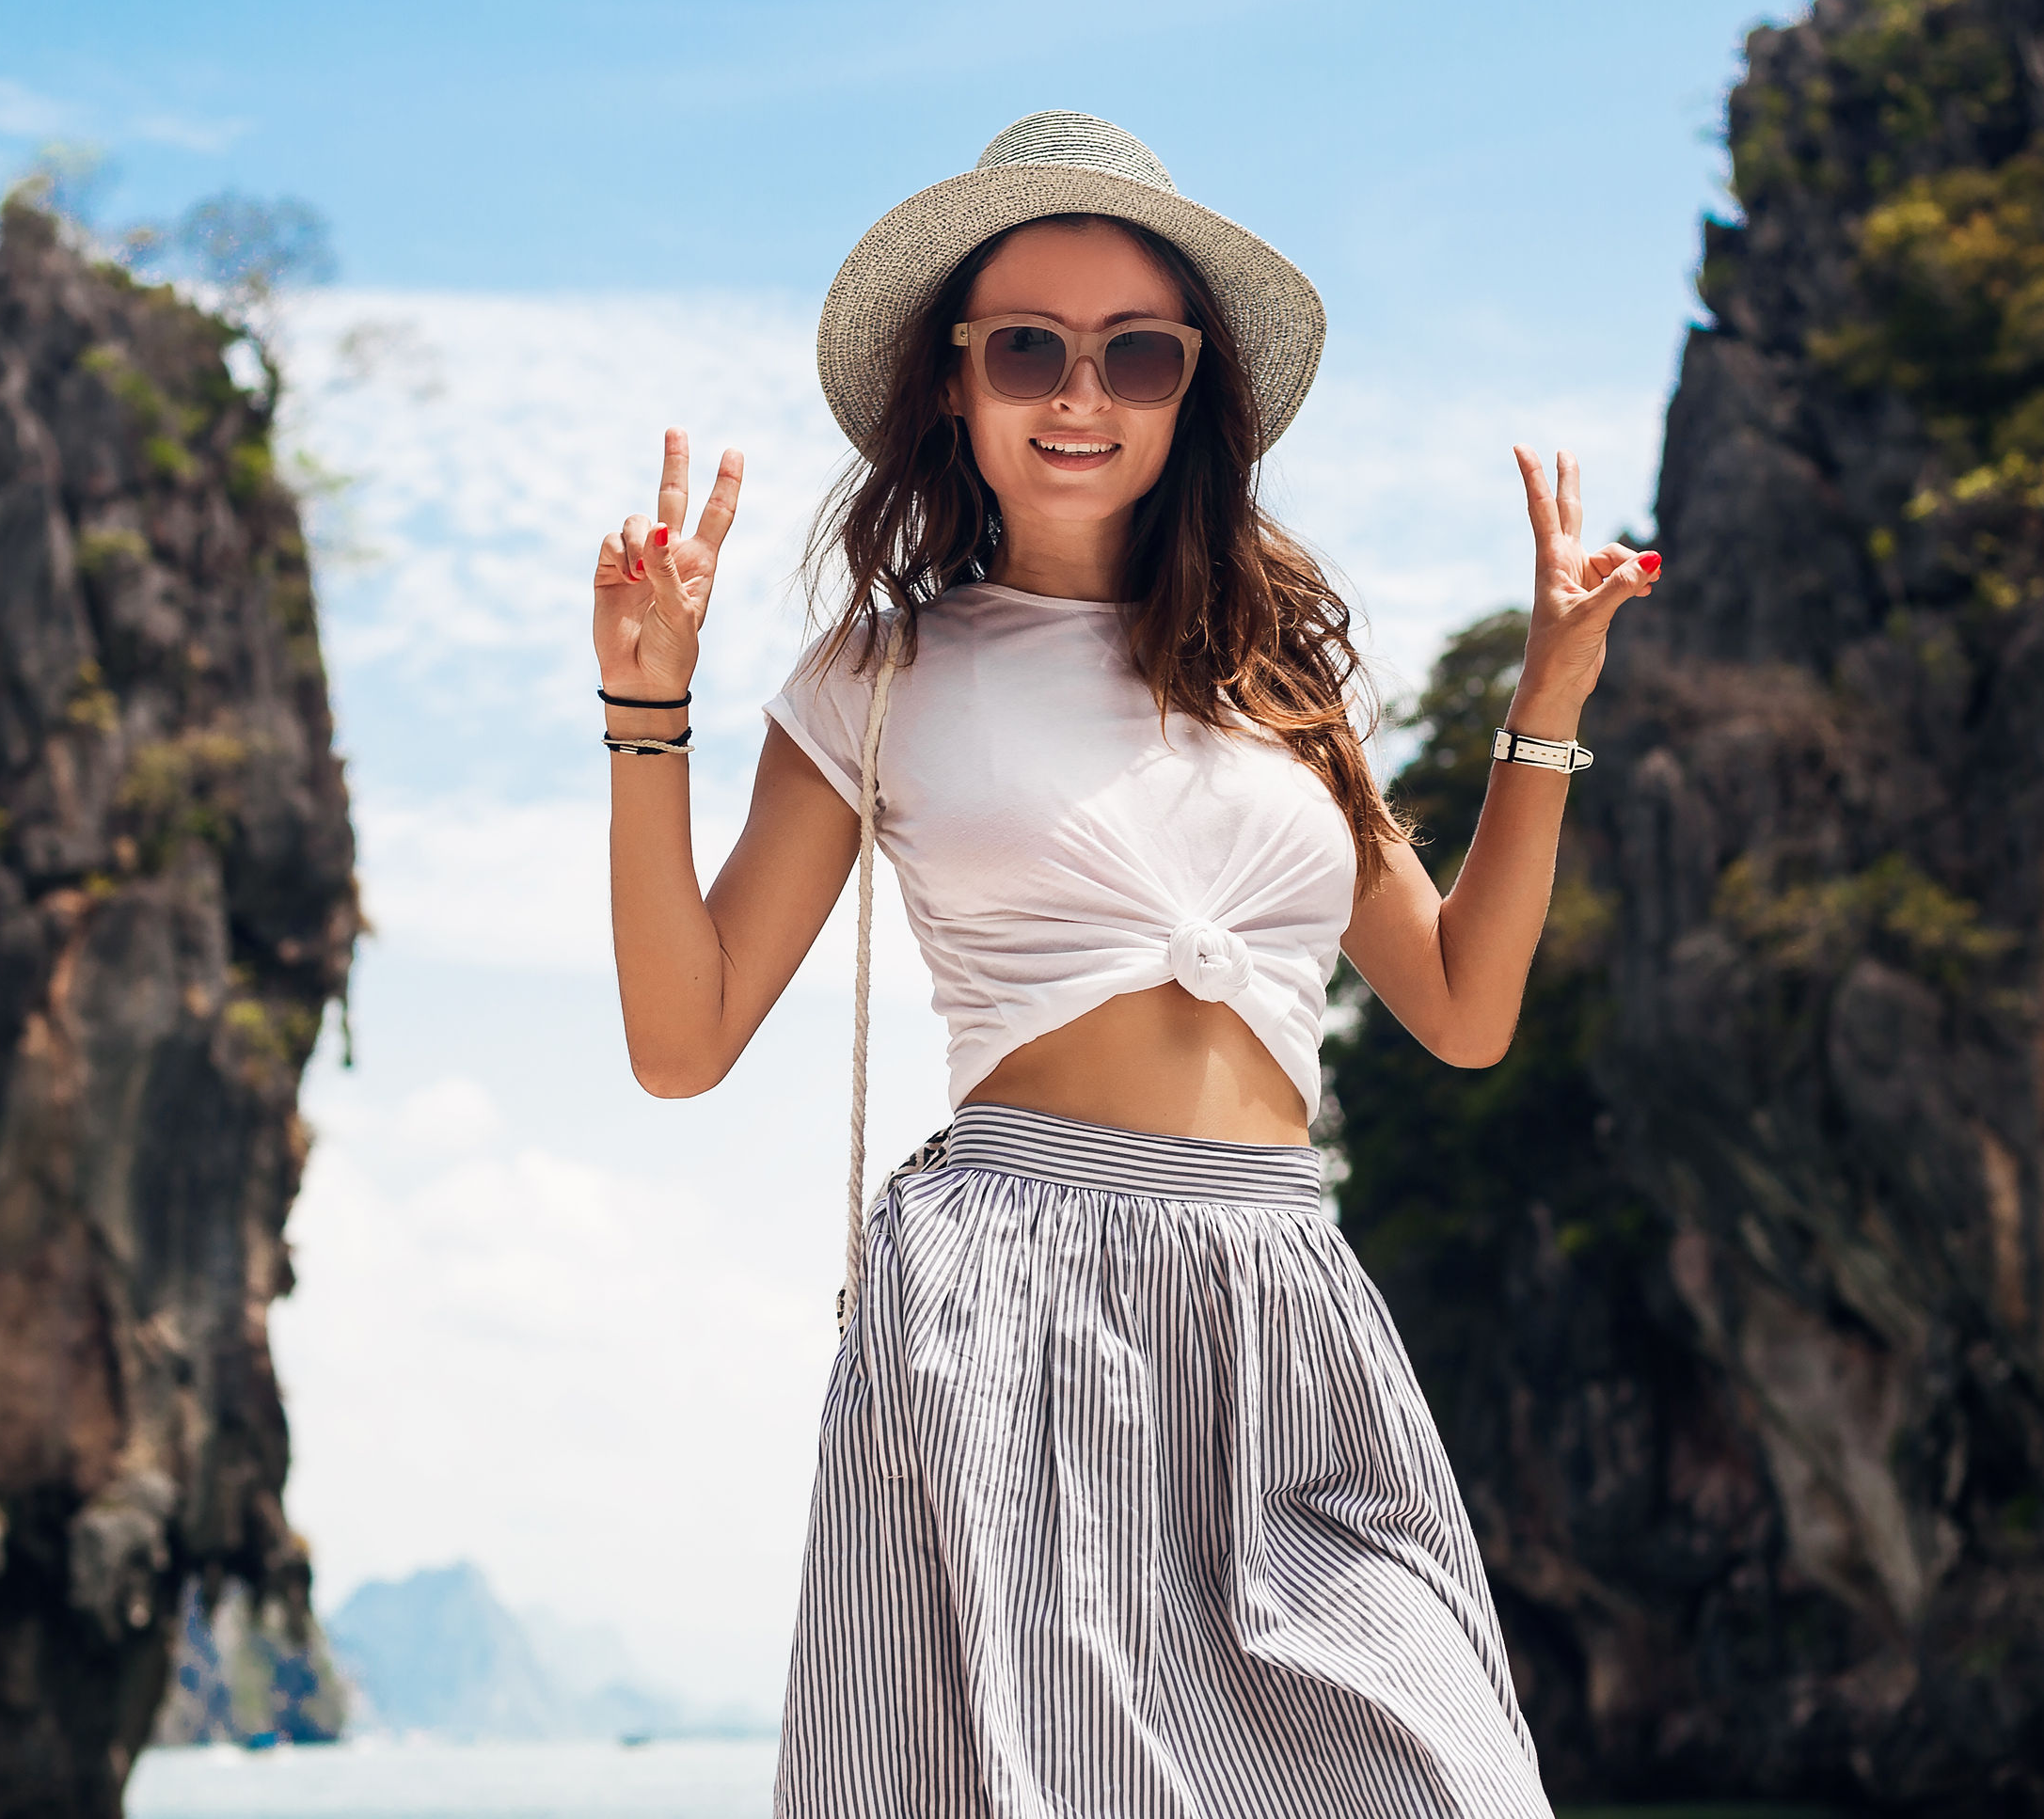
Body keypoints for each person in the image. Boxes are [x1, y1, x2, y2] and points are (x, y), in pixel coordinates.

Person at [588, 113, 1659, 1819]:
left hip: (1286, 1303)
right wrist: (649, 708)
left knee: (1453, 1779)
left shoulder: (1289, 683)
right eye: (1029, 349)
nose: (1078, 395)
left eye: (1134, 354)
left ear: (1189, 391)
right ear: (956, 380)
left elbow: (1462, 1008)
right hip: (1016, 1298)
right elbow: (684, 1038)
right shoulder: (881, 671)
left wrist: (1548, 703)